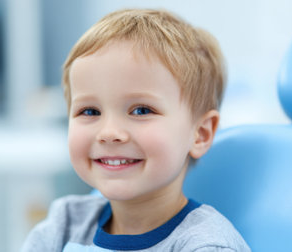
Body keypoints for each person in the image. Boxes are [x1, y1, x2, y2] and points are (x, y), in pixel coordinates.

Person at [22, 8, 250, 251]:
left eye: (141, 110)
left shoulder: (205, 245)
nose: (109, 132)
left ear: (201, 133)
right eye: (90, 111)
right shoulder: (63, 225)